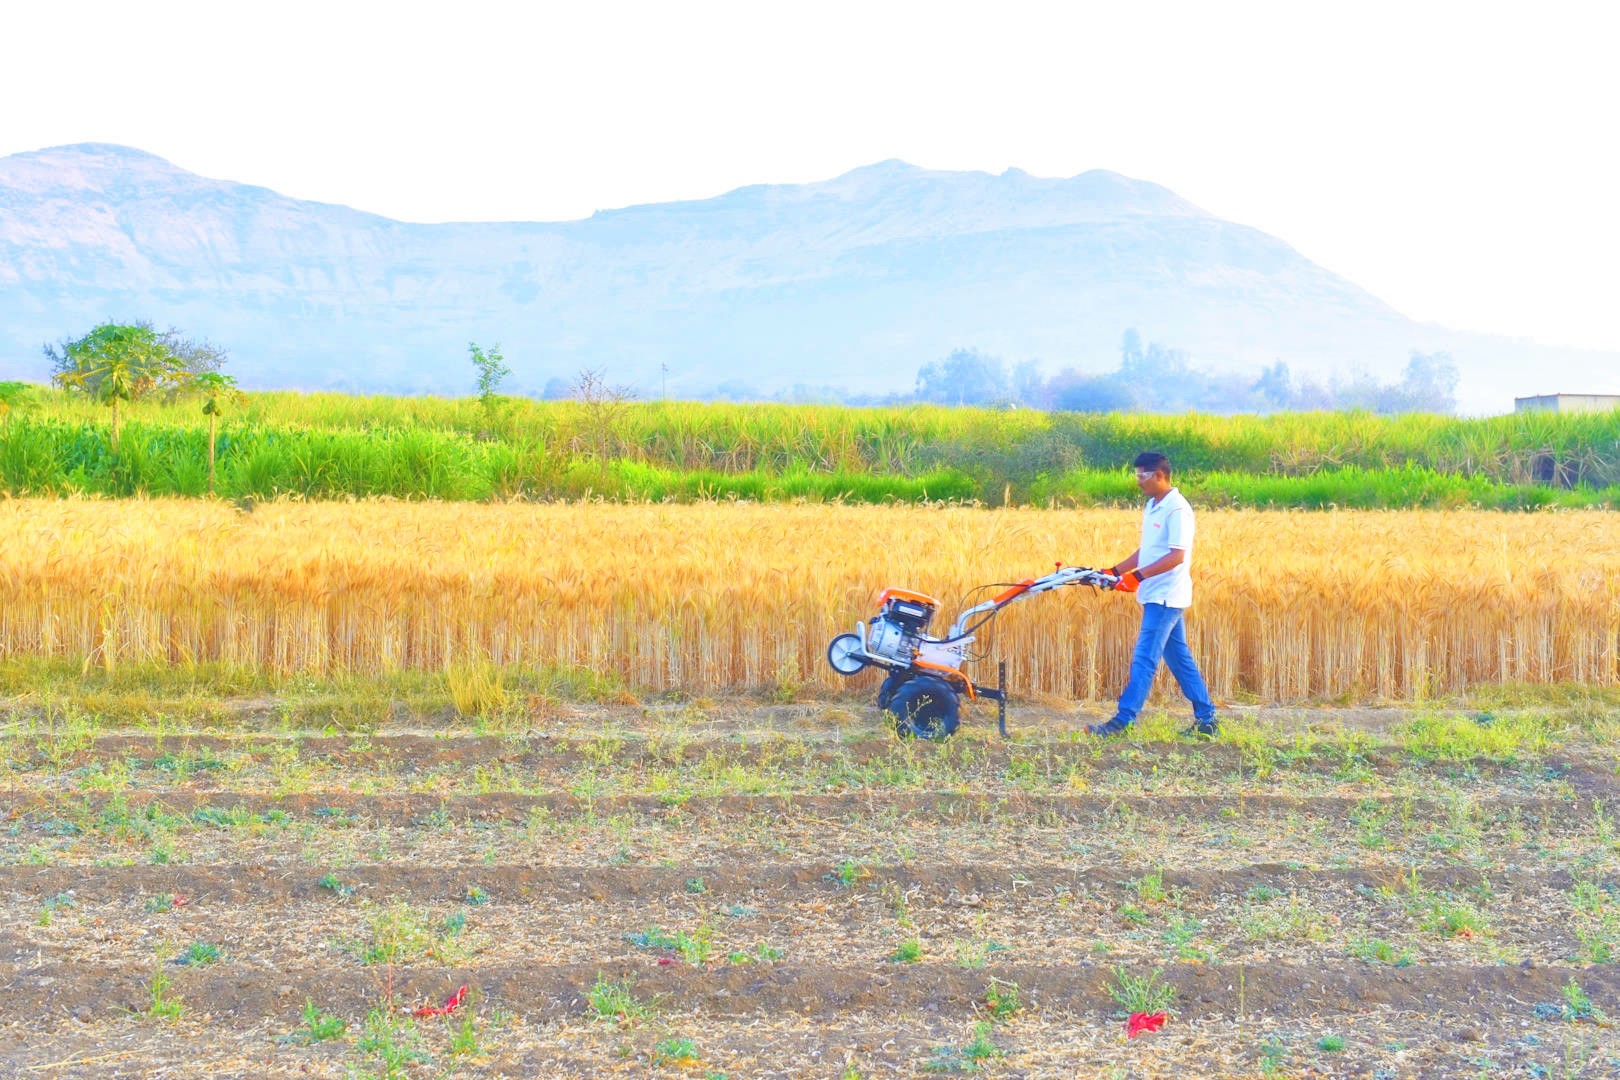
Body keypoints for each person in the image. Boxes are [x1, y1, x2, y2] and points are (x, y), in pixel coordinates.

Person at [1088, 451, 1218, 738]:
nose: (1138, 482)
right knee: (1179, 660)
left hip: (1166, 597)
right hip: (1154, 593)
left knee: (1144, 659)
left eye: (1142, 476)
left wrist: (1137, 576)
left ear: (1160, 475)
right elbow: (1146, 552)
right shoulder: (1152, 505)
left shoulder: (1177, 509)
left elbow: (1176, 556)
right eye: (1137, 475)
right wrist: (1113, 571)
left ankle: (1124, 720)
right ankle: (1207, 720)